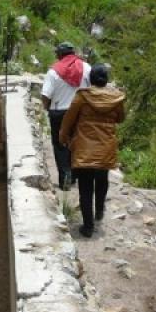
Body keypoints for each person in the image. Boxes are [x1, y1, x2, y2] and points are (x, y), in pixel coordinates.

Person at [59, 64, 125, 238]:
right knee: (102, 180)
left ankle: (88, 226)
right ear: (106, 80)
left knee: (85, 187)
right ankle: (100, 210)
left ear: (90, 79)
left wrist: (63, 137)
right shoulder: (116, 99)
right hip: (105, 147)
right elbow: (121, 118)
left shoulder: (82, 96)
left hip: (84, 147)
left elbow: (68, 119)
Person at [41, 42, 91, 191]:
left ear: (60, 54)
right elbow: (93, 89)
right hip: (80, 112)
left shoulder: (53, 72)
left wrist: (47, 108)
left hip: (59, 112)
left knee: (60, 145)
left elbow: (45, 95)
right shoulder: (86, 68)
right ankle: (76, 176)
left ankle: (65, 179)